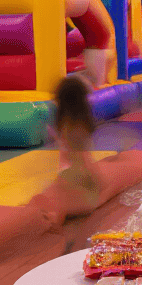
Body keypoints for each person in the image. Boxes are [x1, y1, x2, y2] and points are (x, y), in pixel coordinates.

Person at [52, 76, 101, 212]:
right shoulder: (79, 116)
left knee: (79, 167)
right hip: (77, 143)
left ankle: (85, 198)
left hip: (75, 146)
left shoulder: (70, 120)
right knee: (81, 167)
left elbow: (72, 147)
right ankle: (87, 196)